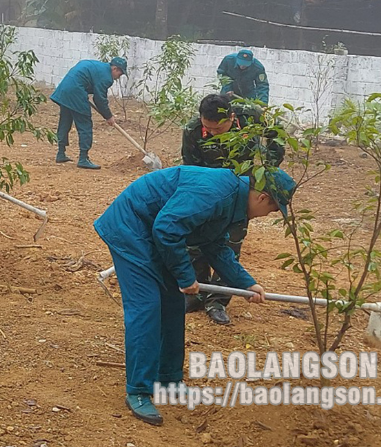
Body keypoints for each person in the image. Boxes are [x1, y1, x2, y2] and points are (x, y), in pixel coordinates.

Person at [94, 166, 296, 426]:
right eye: (272, 209)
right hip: (131, 227)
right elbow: (167, 229)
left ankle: (169, 380)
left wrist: (247, 283)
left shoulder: (232, 201)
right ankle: (139, 391)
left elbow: (214, 246)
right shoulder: (215, 193)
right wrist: (185, 275)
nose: (268, 215)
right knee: (147, 307)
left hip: (156, 231)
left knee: (173, 305)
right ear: (262, 198)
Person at [181, 94, 285, 324]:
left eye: (219, 128)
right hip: (207, 193)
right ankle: (196, 293)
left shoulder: (252, 116)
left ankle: (218, 300)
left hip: (241, 194)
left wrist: (268, 168)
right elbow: (190, 167)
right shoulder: (192, 130)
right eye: (209, 129)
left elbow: (278, 134)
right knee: (196, 241)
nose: (214, 133)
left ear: (232, 117)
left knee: (230, 242)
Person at [50, 57, 127, 170]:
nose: (118, 77)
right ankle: (83, 159)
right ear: (115, 69)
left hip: (65, 90)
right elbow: (100, 99)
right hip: (76, 91)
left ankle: (61, 153)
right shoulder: (106, 77)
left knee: (65, 121)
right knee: (85, 124)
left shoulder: (98, 66)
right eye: (120, 74)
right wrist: (108, 116)